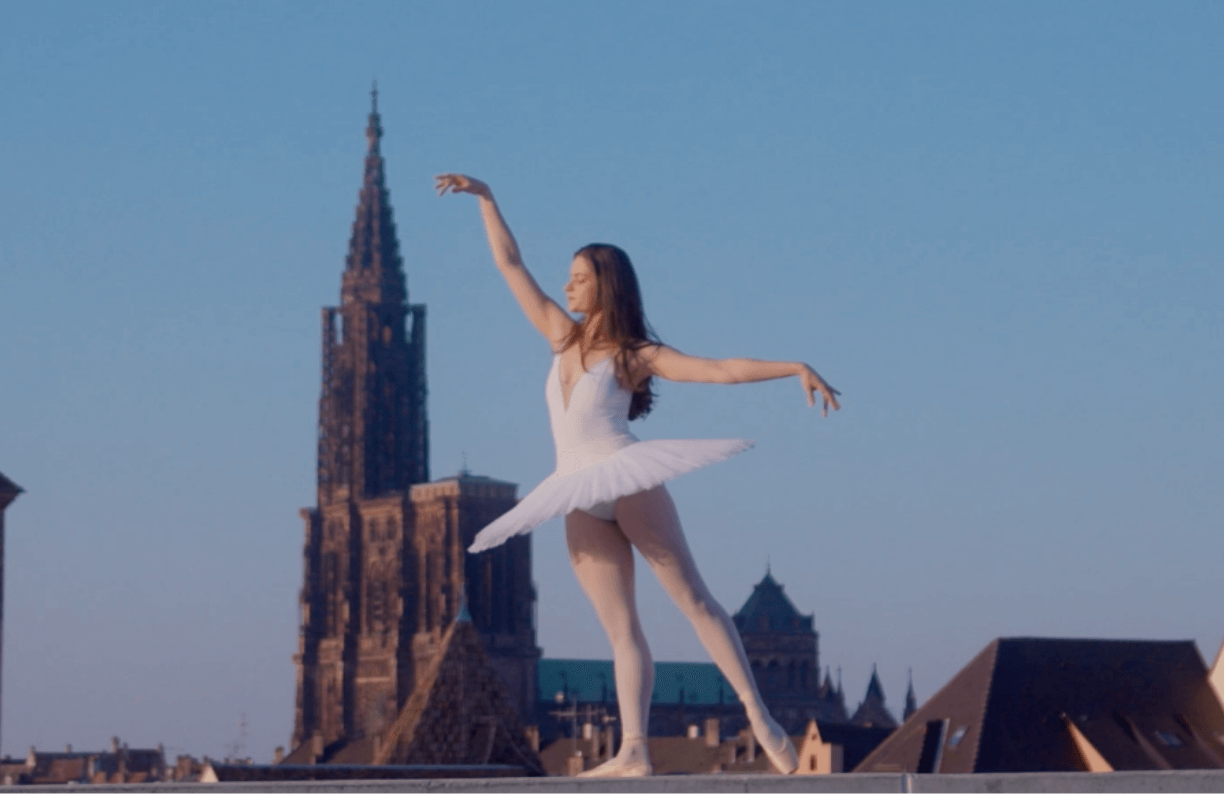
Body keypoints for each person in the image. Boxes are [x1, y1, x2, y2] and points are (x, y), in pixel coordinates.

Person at [435, 174, 840, 776]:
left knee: (693, 599)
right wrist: (486, 198)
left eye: (578, 277)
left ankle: (759, 714)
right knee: (621, 630)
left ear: (605, 286)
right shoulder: (559, 337)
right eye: (568, 276)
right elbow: (510, 264)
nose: (567, 285)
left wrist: (794, 367)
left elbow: (718, 370)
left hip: (623, 475)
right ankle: (633, 749)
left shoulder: (633, 354)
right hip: (575, 488)